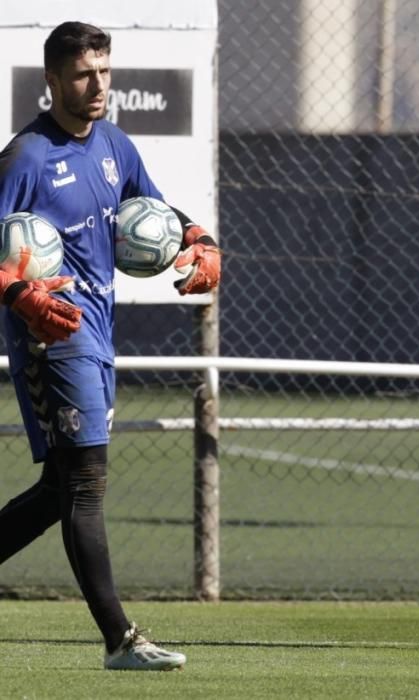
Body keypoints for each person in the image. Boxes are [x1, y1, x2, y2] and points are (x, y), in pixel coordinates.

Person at [0, 21, 220, 670]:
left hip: (98, 338)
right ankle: (121, 640)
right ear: (51, 80)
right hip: (52, 339)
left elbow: (152, 210)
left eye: (104, 71)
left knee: (58, 488)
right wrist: (20, 297)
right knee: (87, 483)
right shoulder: (26, 158)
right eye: (81, 75)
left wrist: (199, 239)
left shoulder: (115, 145)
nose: (97, 86)